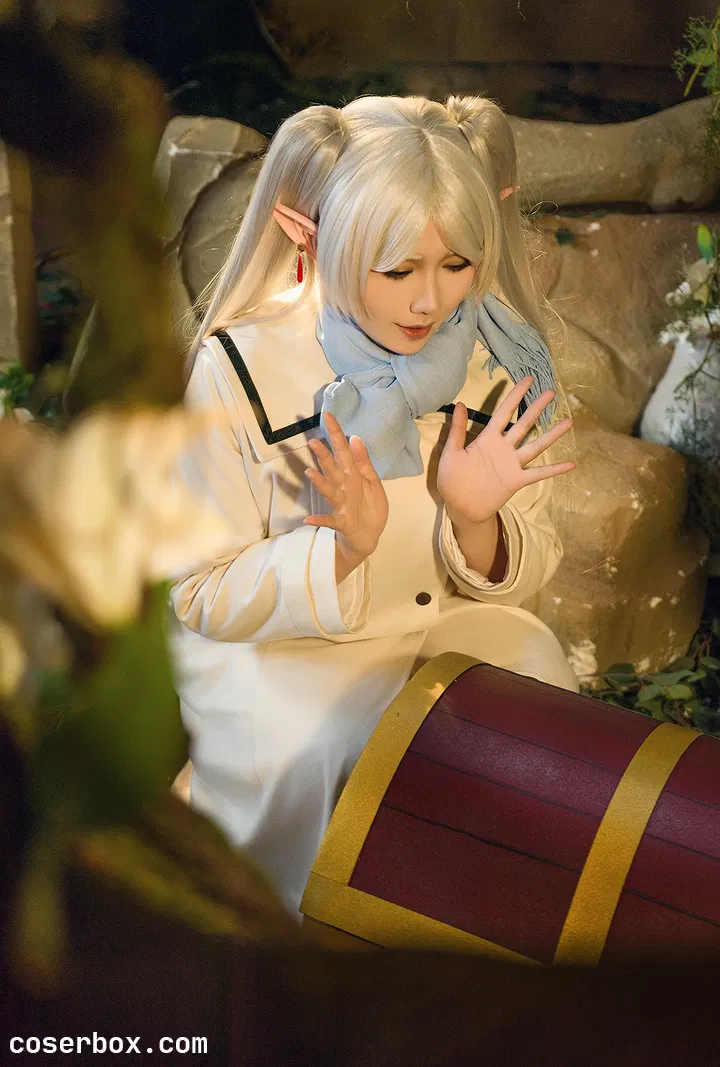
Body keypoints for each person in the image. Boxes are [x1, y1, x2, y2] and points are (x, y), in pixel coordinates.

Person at [169, 95, 579, 915]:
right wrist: (338, 552)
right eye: (397, 271)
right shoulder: (237, 369)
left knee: (547, 722)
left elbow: (532, 556)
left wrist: (476, 519)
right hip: (291, 663)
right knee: (365, 774)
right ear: (307, 235)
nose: (430, 302)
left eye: (456, 264)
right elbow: (199, 591)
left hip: (452, 640)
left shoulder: (498, 358)